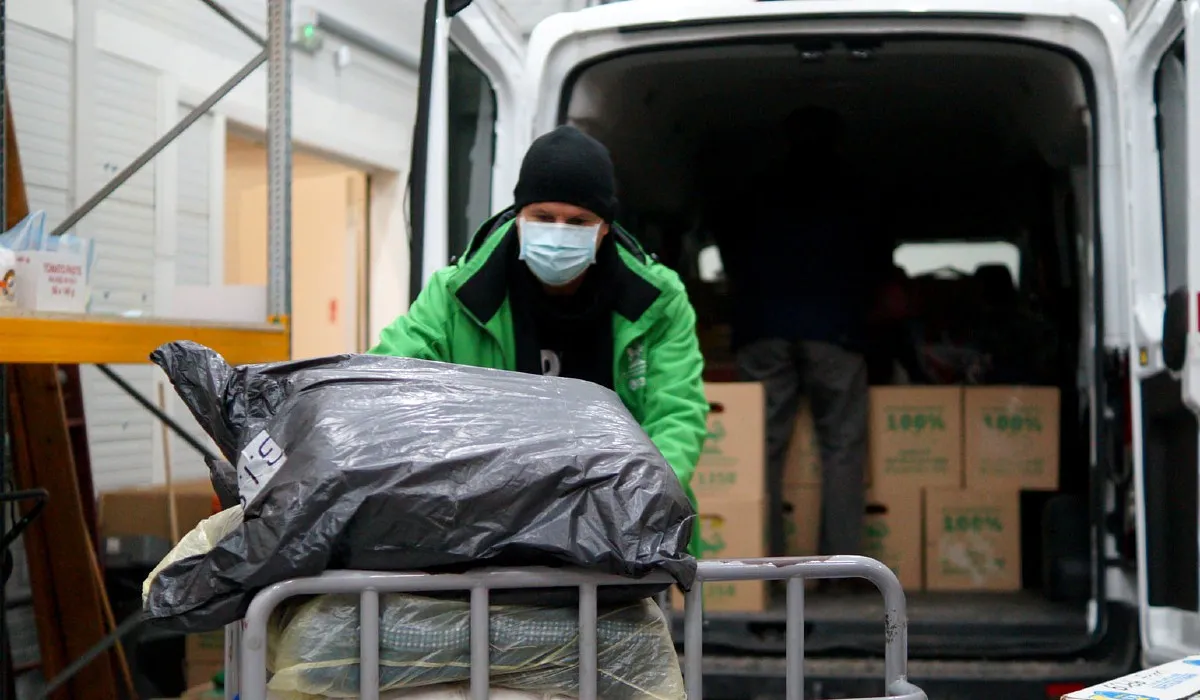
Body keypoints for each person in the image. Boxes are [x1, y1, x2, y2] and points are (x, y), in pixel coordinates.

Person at [370, 125, 709, 549]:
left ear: (604, 228)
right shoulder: (459, 295)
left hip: (624, 526)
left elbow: (676, 414)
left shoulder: (655, 300)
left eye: (579, 221)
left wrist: (635, 505)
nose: (559, 231)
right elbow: (387, 379)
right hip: (489, 525)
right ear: (518, 218)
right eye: (544, 218)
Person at [715, 106, 873, 569]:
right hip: (836, 327)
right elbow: (874, 253)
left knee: (762, 446)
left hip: (764, 325)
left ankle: (764, 565)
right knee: (841, 446)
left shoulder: (756, 189)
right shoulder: (853, 188)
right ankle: (843, 570)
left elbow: (731, 248)